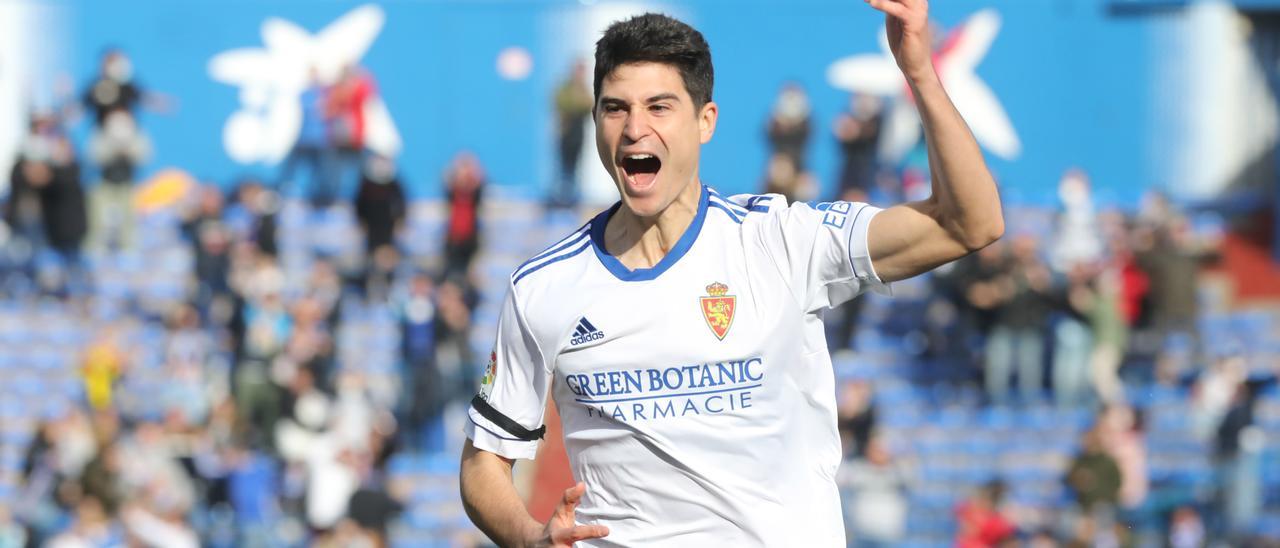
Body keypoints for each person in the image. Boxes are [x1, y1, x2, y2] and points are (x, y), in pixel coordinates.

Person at [459, 3, 1004, 546]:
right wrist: (529, 539)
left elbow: (970, 223)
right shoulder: (544, 287)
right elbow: (485, 460)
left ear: (705, 121)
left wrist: (919, 73)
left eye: (659, 106)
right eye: (615, 108)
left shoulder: (781, 240)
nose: (634, 129)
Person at [553, 59, 594, 208]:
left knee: (576, 168)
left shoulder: (584, 89)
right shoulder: (566, 88)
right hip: (566, 134)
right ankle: (561, 199)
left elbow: (589, 105)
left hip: (579, 134)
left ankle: (573, 200)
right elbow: (563, 104)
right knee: (564, 168)